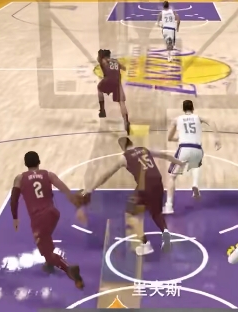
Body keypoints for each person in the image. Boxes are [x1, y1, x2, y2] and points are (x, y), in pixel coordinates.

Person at [82, 137, 186, 255]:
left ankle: (145, 245)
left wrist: (90, 189)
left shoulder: (124, 157)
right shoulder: (144, 149)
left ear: (122, 148)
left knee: (130, 214)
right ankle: (166, 235)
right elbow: (163, 155)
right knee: (156, 213)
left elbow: (106, 175)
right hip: (158, 181)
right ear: (132, 143)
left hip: (144, 185)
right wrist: (179, 162)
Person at [10, 151, 85, 289]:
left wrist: (15, 218)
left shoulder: (20, 178)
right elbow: (64, 190)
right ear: (39, 162)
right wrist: (75, 200)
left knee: (45, 250)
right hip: (53, 214)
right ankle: (49, 264)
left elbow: (14, 200)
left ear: (25, 164)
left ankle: (69, 269)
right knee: (46, 239)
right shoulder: (49, 175)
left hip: (39, 218)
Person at [164, 100, 221, 214]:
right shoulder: (198, 118)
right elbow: (211, 121)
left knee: (172, 177)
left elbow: (169, 138)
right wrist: (217, 138)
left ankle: (169, 206)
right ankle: (195, 184)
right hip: (197, 148)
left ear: (183, 109)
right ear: (193, 108)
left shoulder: (177, 119)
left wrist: (179, 138)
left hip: (184, 148)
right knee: (196, 164)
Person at [96, 49, 131, 135]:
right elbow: (124, 68)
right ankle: (126, 121)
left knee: (99, 89)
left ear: (102, 56)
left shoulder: (103, 60)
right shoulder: (116, 61)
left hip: (108, 80)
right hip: (117, 83)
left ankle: (102, 110)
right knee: (122, 102)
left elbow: (101, 60)